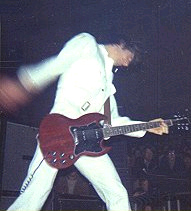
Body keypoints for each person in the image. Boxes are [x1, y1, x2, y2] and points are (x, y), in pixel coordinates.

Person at [0, 32, 169, 211]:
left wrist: (148, 126)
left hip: (87, 142)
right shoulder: (87, 43)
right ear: (121, 43)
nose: (127, 63)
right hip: (59, 132)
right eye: (129, 57)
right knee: (37, 191)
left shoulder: (109, 85)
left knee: (116, 192)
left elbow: (112, 123)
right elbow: (57, 63)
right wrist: (24, 83)